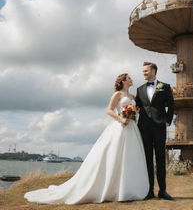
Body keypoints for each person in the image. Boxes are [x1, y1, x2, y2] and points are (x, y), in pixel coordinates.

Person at [24, 74, 149, 204]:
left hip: (132, 128)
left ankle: (127, 189)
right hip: (121, 126)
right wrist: (121, 118)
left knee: (130, 157)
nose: (131, 79)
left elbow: (137, 109)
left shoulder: (133, 97)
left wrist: (134, 111)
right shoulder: (117, 94)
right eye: (129, 78)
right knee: (114, 155)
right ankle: (110, 188)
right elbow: (109, 110)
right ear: (123, 81)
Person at [136, 62, 175, 200]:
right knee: (147, 159)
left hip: (159, 128)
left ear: (153, 71)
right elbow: (137, 107)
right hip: (144, 128)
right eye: (143, 71)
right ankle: (149, 190)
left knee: (160, 158)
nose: (144, 73)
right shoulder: (139, 89)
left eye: (146, 71)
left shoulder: (165, 87)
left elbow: (171, 105)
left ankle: (163, 191)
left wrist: (167, 121)